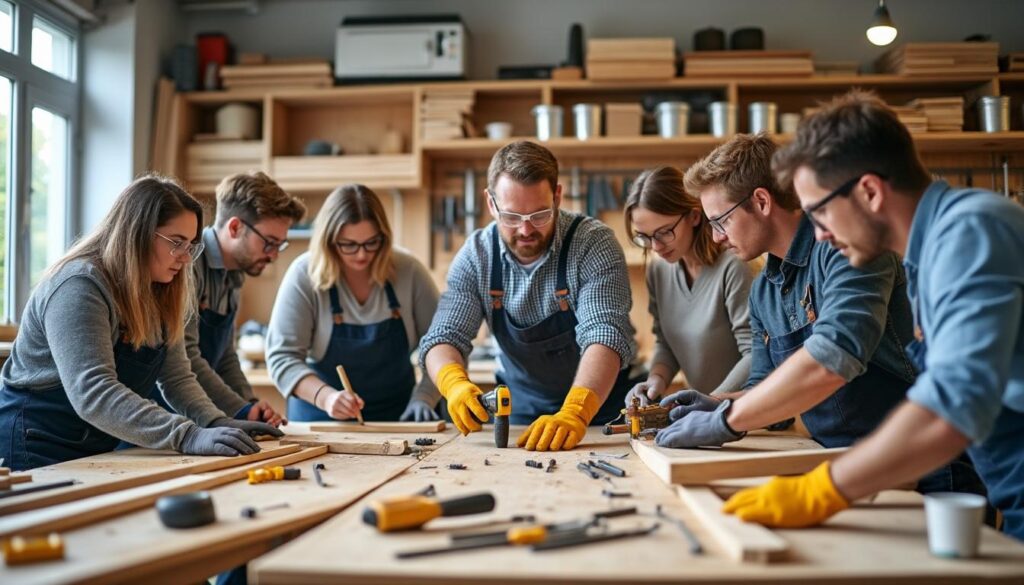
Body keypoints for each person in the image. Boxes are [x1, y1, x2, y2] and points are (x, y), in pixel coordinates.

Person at [720, 91, 1023, 541]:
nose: (819, 234)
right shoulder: (928, 254)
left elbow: (949, 409)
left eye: (819, 213)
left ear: (869, 191)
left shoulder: (970, 231)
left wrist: (822, 490)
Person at [0, 175, 281, 470]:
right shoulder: (80, 286)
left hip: (93, 445)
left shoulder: (159, 290)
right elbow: (94, 392)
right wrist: (187, 435)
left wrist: (218, 422)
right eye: (176, 243)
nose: (186, 258)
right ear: (138, 234)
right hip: (34, 444)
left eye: (191, 245)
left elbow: (176, 377)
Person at [420, 140, 641, 452]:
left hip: (600, 412)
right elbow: (443, 336)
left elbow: (604, 332)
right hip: (521, 410)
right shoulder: (477, 256)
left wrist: (574, 412)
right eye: (511, 216)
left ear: (558, 196)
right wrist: (453, 384)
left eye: (539, 214)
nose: (525, 230)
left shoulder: (593, 243)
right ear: (490, 203)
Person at [266, 184, 441, 422]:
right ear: (328, 241)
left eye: (371, 243)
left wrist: (425, 396)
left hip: (399, 416)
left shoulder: (409, 272)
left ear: (384, 237)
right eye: (348, 245)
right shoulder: (304, 275)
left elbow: (443, 343)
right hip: (320, 416)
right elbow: (282, 358)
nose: (361, 255)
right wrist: (326, 397)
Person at [622, 166, 754, 406]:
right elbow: (667, 343)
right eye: (644, 236)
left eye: (664, 232)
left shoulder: (734, 267)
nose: (655, 246)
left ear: (694, 216)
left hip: (752, 416)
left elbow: (755, 354)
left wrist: (711, 402)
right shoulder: (658, 270)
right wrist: (655, 380)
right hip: (703, 414)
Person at [184, 171, 305, 427]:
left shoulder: (235, 274)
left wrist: (251, 404)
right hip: (170, 414)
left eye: (279, 246)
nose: (273, 256)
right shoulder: (189, 265)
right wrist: (240, 410)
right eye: (269, 243)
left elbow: (225, 356)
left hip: (198, 415)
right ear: (235, 227)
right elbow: (187, 358)